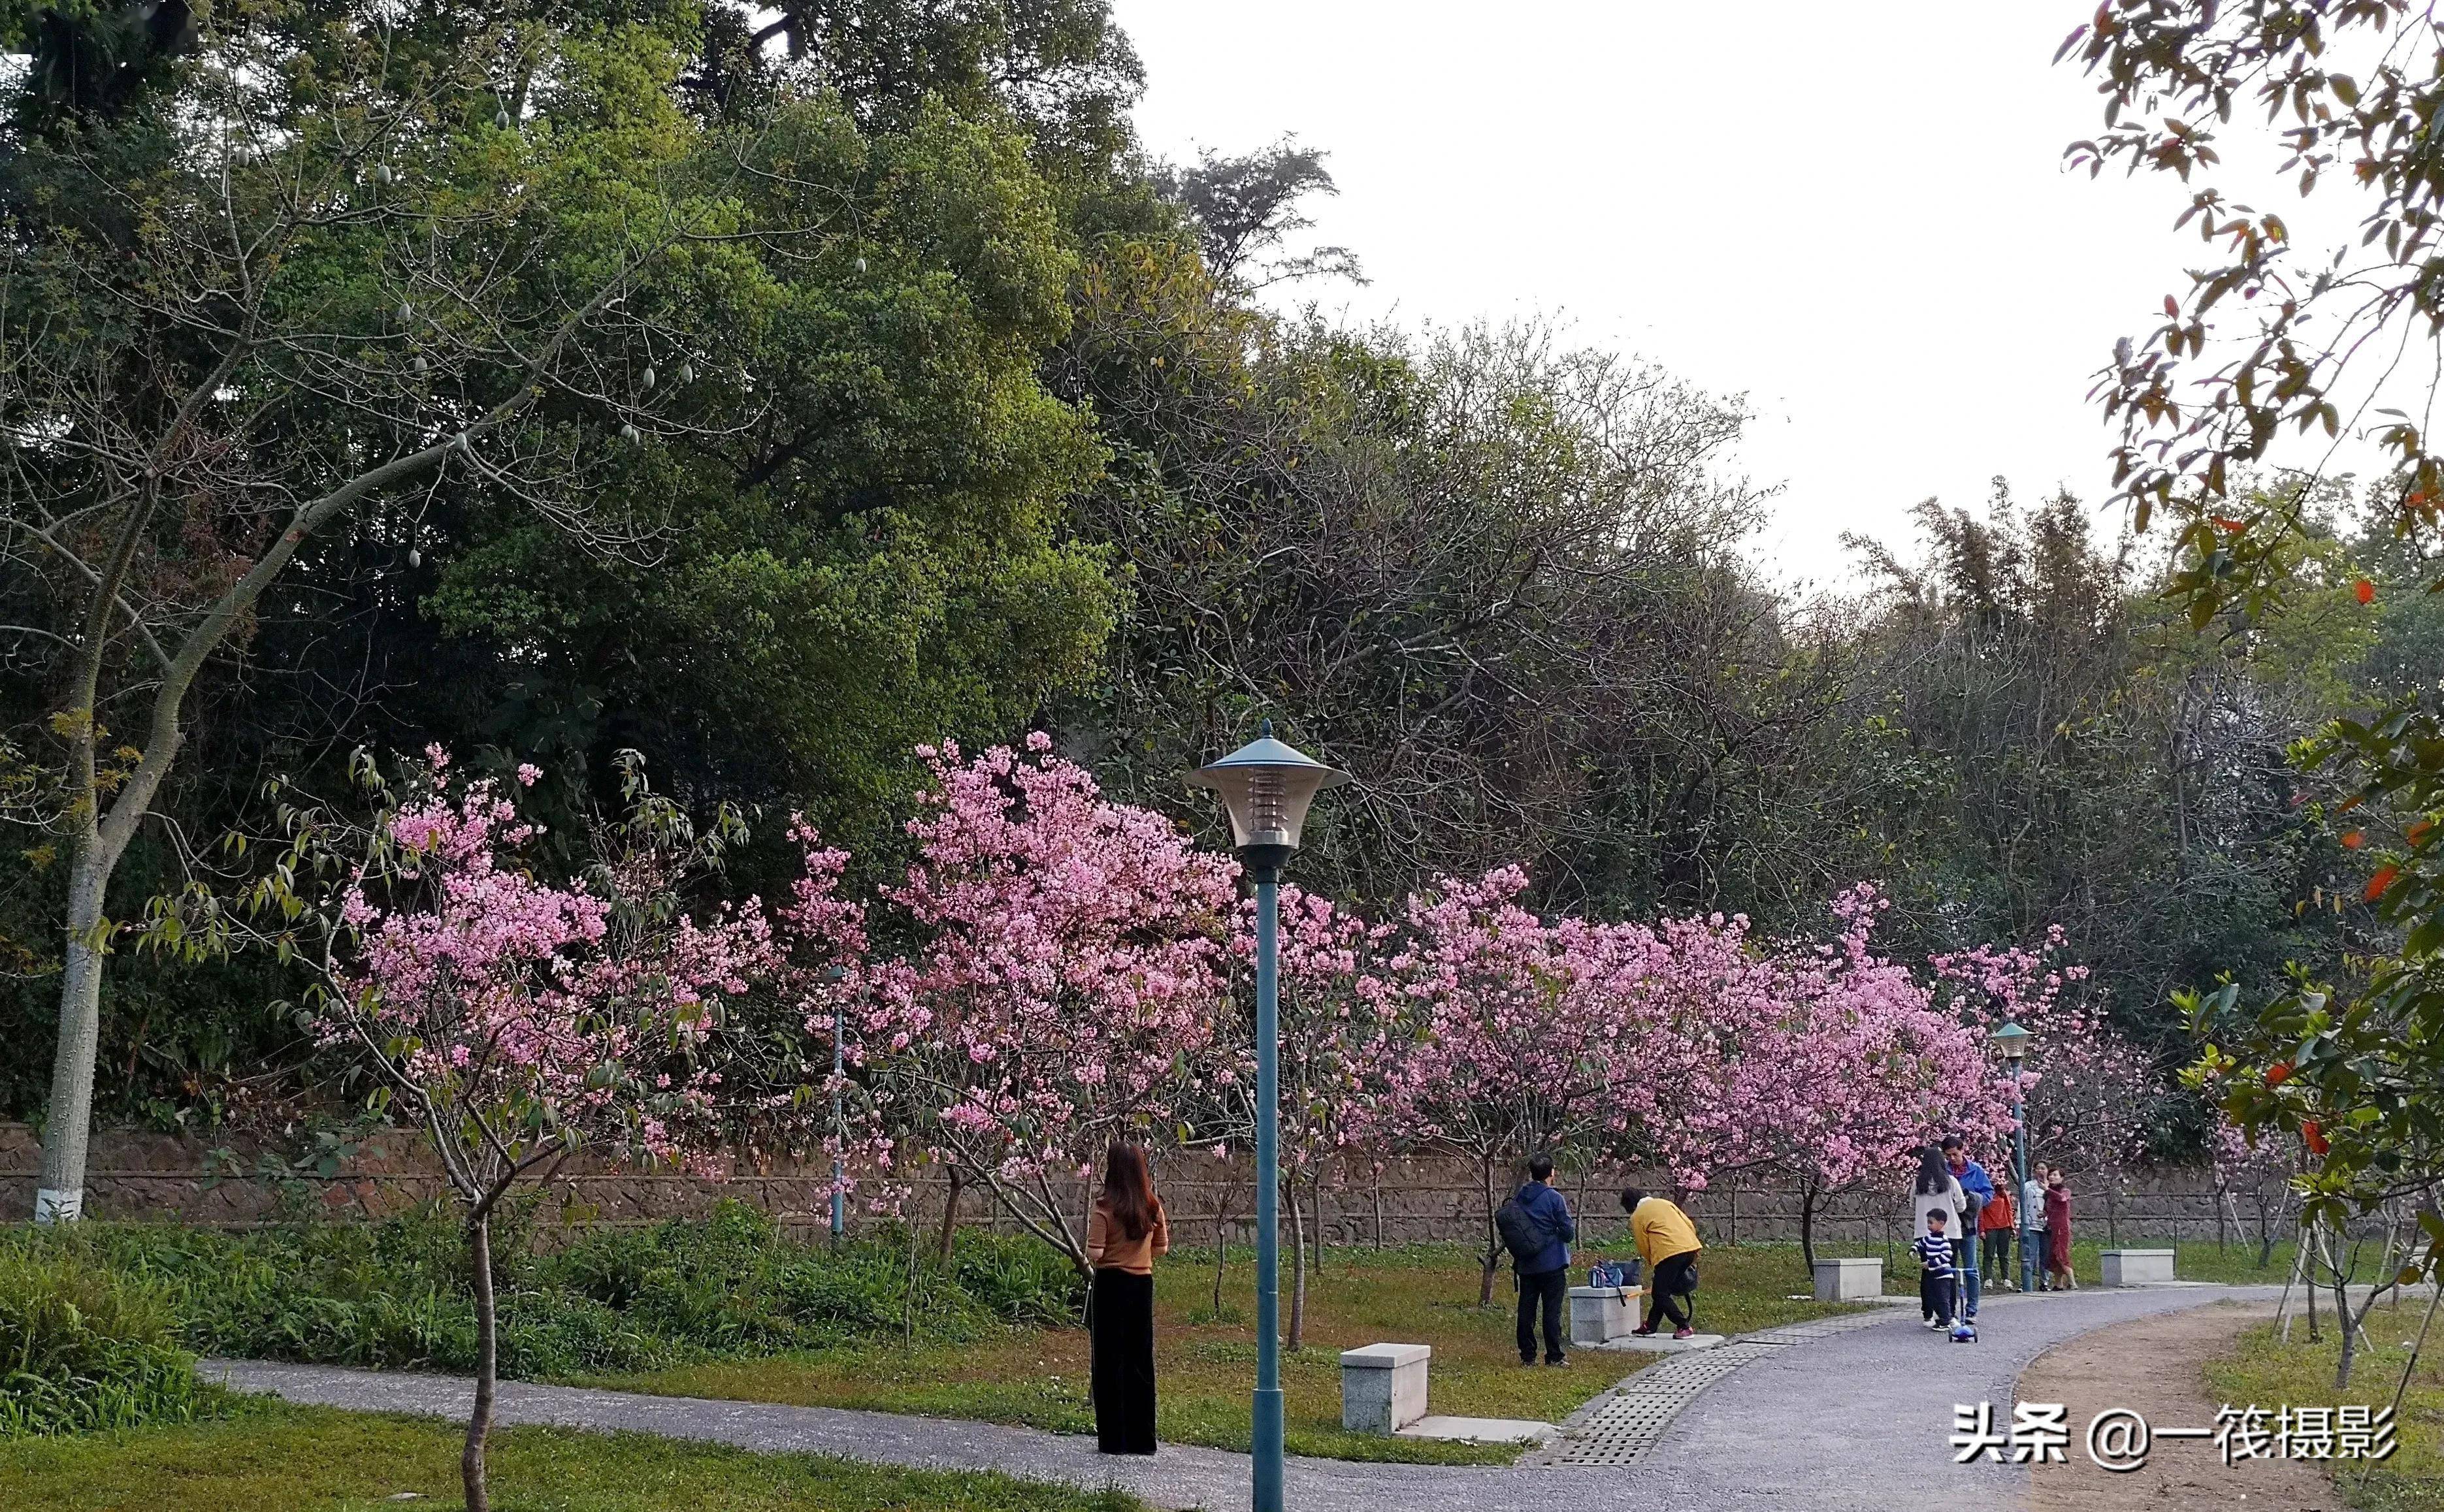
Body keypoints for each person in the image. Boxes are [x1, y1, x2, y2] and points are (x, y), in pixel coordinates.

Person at [1086, 1140, 1169, 1455]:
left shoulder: (1104, 1208)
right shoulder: (1152, 1206)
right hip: (1142, 1286)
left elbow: (1096, 1253)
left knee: (1109, 1362)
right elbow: (1161, 1248)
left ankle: (1113, 1441)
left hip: (1110, 1286)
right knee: (1140, 1361)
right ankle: (1143, 1439)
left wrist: (1099, 1248)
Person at [1508, 1153, 1578, 1366]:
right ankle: (1554, 1356)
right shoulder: (1554, 1198)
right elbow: (1568, 1232)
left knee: (1526, 1311)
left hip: (1527, 1263)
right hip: (1552, 1262)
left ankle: (1528, 1356)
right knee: (1551, 1311)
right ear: (1552, 1173)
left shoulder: (1520, 1196)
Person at [1622, 1187, 1703, 1340]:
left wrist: (1653, 1261)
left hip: (1669, 1253)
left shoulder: (1638, 1215)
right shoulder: (1665, 1203)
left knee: (1659, 1293)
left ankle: (1683, 1326)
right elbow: (1688, 1224)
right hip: (1690, 1247)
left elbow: (1643, 1244)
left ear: (1629, 1206)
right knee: (1662, 1290)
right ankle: (1650, 1326)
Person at [1940, 1135, 1995, 1317]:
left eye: (1955, 1154)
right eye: (1948, 1156)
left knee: (1971, 1267)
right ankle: (1950, 1309)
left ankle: (1972, 1308)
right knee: (1949, 1268)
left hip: (1969, 1224)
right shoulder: (1944, 1171)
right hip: (1947, 1225)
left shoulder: (1976, 1171)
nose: (1952, 1159)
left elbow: (1988, 1196)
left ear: (1963, 1150)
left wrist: (1970, 1197)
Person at [1910, 1144, 1966, 1246]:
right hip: (1949, 1232)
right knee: (1948, 1262)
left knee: (1927, 1262)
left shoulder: (1918, 1183)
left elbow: (1913, 1206)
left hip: (1923, 1231)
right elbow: (1961, 1206)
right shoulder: (1951, 1182)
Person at [1914, 1207, 1959, 1328]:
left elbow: (1947, 1256)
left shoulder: (1943, 1240)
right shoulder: (1929, 1237)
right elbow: (1920, 1244)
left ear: (1941, 1224)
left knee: (1943, 1299)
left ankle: (1946, 1320)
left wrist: (1931, 1263)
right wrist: (1913, 1250)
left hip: (1943, 1275)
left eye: (1931, 1223)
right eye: (1928, 1222)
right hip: (1934, 1275)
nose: (1929, 1225)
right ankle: (1943, 1318)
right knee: (1935, 1297)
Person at [2042, 1165, 2077, 1291]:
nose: (2052, 1177)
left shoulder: (2065, 1191)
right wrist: (2044, 1213)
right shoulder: (2048, 1194)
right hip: (2052, 1227)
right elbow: (2048, 1209)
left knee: (2061, 1254)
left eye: (2055, 1175)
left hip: (2062, 1228)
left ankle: (2072, 1282)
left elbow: (2062, 1199)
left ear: (2062, 1178)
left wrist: (2048, 1190)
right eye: (2050, 1175)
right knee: (2053, 1256)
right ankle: (2059, 1284)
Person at [1978, 1182, 2015, 1291]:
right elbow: (1981, 1213)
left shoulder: (2002, 1193)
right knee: (1988, 1254)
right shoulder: (1984, 1194)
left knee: (2004, 1255)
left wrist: (2012, 1227)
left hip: (2004, 1227)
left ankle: (2006, 1279)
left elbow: (2009, 1209)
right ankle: (1988, 1279)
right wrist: (1982, 1230)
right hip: (1990, 1228)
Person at [2019, 1165, 2047, 1290]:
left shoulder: (2052, 1187)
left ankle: (2044, 1282)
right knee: (2029, 1254)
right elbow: (2022, 1203)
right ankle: (2026, 1282)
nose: (2040, 1171)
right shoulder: (2028, 1186)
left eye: (2043, 1168)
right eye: (2038, 1168)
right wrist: (2020, 1221)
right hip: (2032, 1224)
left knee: (2045, 1255)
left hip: (2047, 1225)